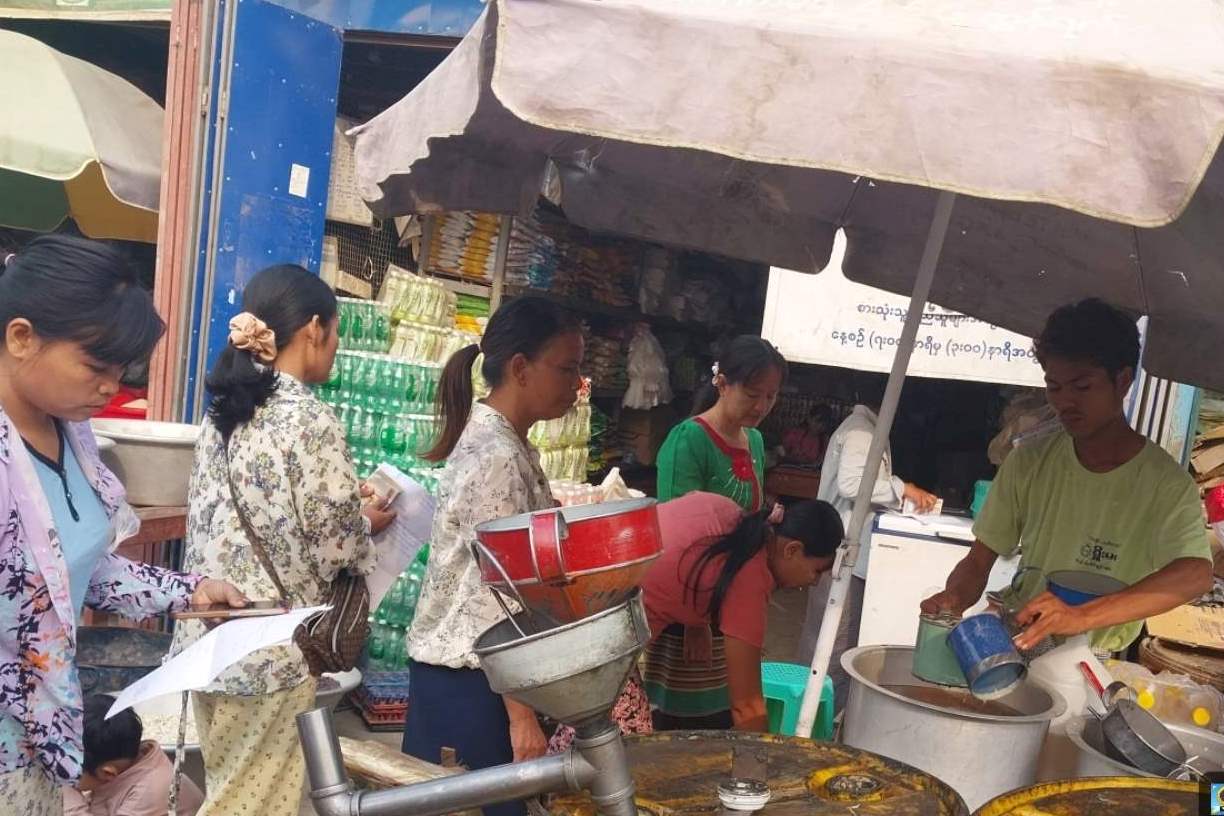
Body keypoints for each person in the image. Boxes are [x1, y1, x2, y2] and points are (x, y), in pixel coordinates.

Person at [0, 237, 244, 814]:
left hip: (39, 737)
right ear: (21, 337)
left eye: (120, 370)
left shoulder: (71, 435)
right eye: (96, 366)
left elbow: (76, 568)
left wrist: (188, 592)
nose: (112, 387)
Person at [403, 297, 636, 816]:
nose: (578, 384)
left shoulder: (509, 443)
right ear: (520, 368)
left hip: (481, 677)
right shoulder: (497, 456)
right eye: (567, 368)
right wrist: (521, 716)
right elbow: (497, 592)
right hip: (472, 680)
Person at [175, 265, 394, 816]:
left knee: (231, 790)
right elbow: (336, 545)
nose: (336, 345)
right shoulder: (310, 418)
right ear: (314, 329)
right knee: (254, 806)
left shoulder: (223, 412)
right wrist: (367, 522)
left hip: (207, 641)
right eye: (336, 332)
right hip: (271, 650)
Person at [922, 299, 1213, 654]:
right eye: (1055, 387)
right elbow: (978, 560)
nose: (1065, 402)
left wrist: (1080, 616)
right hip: (1016, 640)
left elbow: (1195, 574)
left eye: (1082, 387)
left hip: (1093, 658)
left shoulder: (1166, 483)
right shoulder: (1028, 461)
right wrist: (954, 597)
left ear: (1123, 381)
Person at [550, 492, 843, 751]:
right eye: (817, 571)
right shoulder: (750, 579)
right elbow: (747, 706)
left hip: (574, 593)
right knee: (619, 748)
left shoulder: (725, 510)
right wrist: (761, 770)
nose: (814, 582)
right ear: (792, 550)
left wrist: (697, 621)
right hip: (589, 630)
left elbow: (685, 554)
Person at [647, 335, 787, 729]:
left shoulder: (754, 441)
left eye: (771, 396)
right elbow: (675, 536)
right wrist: (695, 624)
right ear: (722, 383)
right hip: (687, 606)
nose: (761, 406)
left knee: (729, 707)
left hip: (730, 600)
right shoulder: (688, 439)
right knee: (683, 724)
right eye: (752, 394)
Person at [798, 372, 937, 708]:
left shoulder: (865, 428)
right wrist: (902, 488)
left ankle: (812, 707)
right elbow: (851, 484)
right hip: (843, 553)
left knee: (825, 640)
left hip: (842, 550)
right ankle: (819, 713)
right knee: (834, 643)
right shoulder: (862, 432)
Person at [63, 694, 204, 816]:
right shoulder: (121, 762)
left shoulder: (148, 792)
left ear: (108, 773)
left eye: (67, 770)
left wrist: (65, 790)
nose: (60, 770)